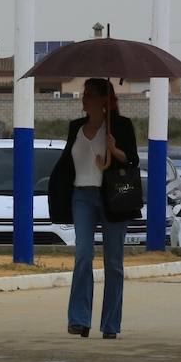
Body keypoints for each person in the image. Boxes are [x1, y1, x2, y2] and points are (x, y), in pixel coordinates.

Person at [48, 78, 139, 339]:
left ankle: (110, 325)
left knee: (113, 261)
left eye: (89, 94)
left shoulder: (121, 126)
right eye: (84, 94)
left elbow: (131, 159)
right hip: (82, 196)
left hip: (112, 196)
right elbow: (68, 161)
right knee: (84, 255)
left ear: (103, 100)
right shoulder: (75, 127)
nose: (83, 99)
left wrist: (114, 150)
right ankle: (79, 319)